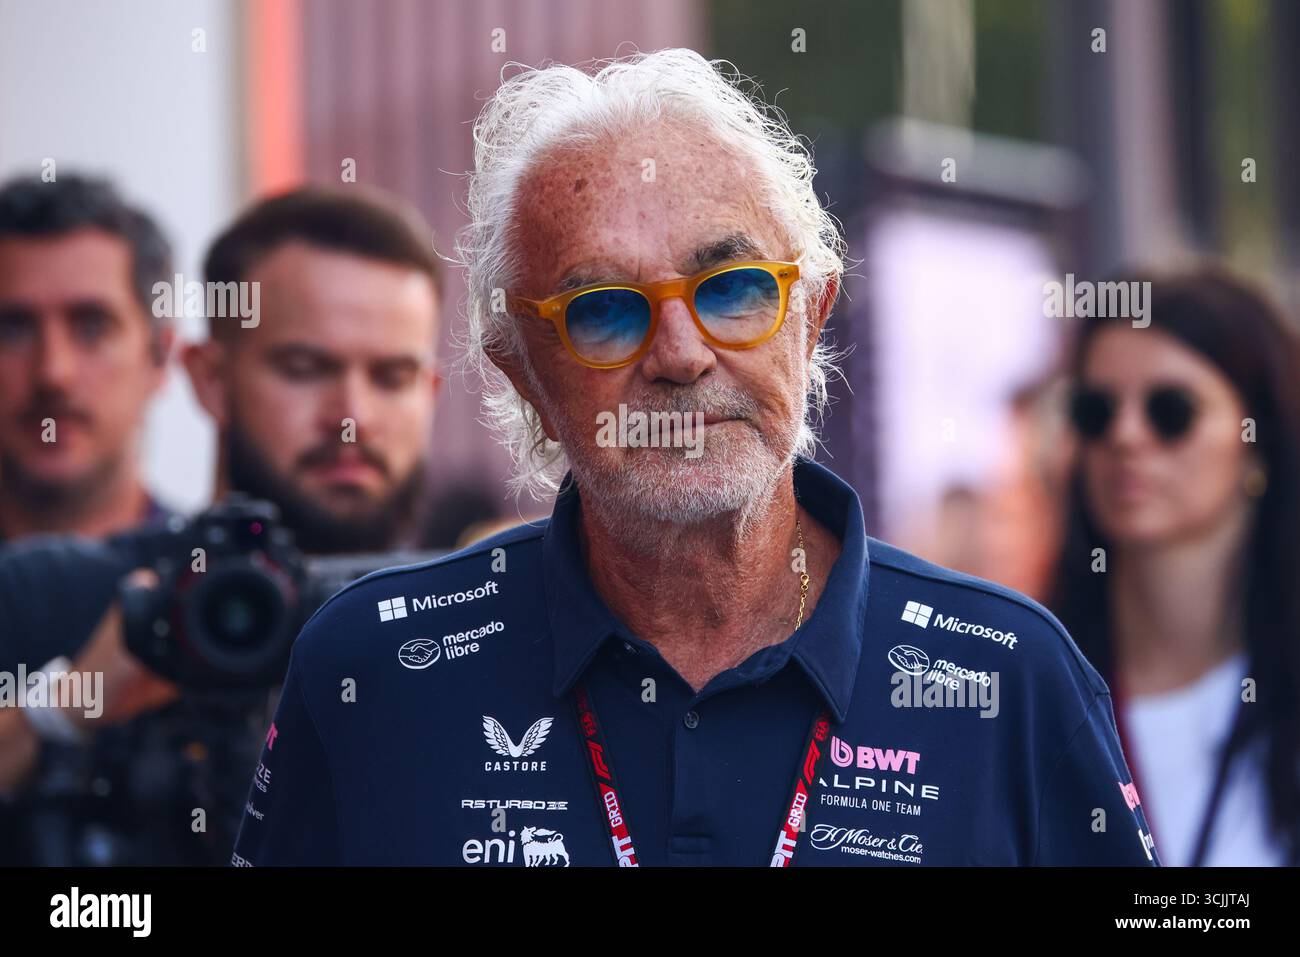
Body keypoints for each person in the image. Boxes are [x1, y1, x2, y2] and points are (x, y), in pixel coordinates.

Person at [232, 48, 1157, 867]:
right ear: (522, 374)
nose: (679, 354)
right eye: (602, 310)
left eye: (735, 288)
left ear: (813, 315)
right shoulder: (377, 669)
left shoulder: (1011, 677)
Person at [0, 185, 445, 863]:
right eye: (304, 368)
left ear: (430, 392)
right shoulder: (58, 597)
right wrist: (56, 714)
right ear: (209, 377)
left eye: (391, 376)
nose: (351, 414)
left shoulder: (472, 617)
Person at [1050, 266, 1300, 866]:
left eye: (1171, 410)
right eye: (1095, 411)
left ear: (1255, 438)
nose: (1127, 437)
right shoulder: (1033, 688)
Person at [0, 175, 175, 543]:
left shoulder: (216, 589)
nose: (52, 373)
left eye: (92, 328)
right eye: (12, 330)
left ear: (159, 356)